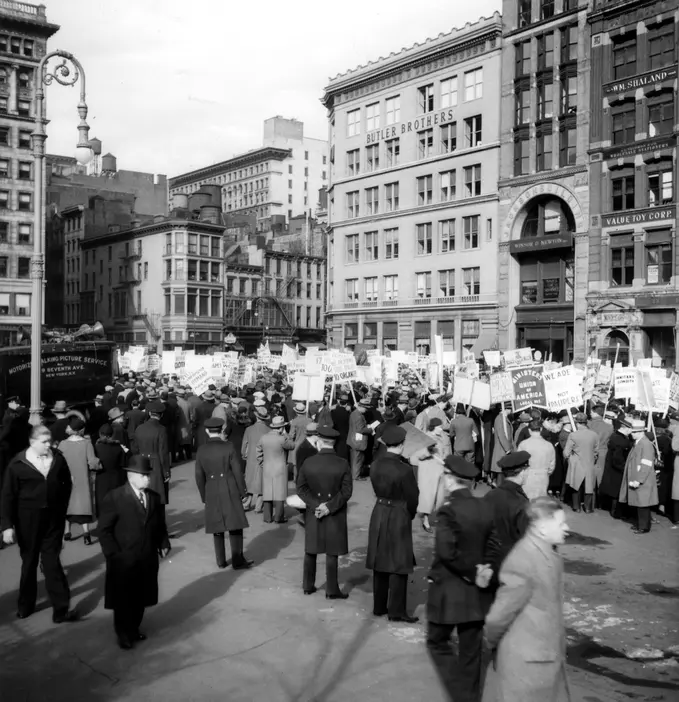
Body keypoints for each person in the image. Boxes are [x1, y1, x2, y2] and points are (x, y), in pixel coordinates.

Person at [482, 496, 571, 702]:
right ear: (541, 528)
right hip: (527, 665)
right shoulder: (523, 561)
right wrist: (492, 644)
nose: (566, 528)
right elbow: (499, 617)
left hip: (544, 659)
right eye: (560, 523)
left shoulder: (548, 554)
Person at [426, 455, 500, 702]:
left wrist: (471, 573)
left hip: (450, 592)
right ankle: (469, 697)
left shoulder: (447, 511)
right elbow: (493, 544)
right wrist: (485, 569)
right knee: (471, 651)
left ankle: (457, 694)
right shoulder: (485, 506)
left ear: (449, 479)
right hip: (478, 595)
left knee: (437, 642)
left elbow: (447, 552)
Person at [1, 425, 77, 623]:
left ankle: (61, 610)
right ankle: (25, 605)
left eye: (49, 441)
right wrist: (7, 525)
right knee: (29, 562)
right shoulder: (17, 464)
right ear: (32, 442)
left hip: (53, 520)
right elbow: (8, 496)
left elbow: (66, 484)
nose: (48, 445)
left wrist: (62, 509)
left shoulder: (58, 459)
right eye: (43, 442)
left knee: (52, 562)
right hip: (28, 521)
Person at [98, 455, 171, 650]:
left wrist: (164, 543)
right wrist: (113, 554)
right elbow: (104, 530)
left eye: (148, 475)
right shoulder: (115, 498)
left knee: (141, 595)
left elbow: (159, 524)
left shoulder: (154, 498)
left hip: (146, 555)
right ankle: (123, 633)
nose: (148, 479)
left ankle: (133, 628)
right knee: (123, 598)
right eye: (144, 475)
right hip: (123, 557)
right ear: (131, 476)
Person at [365, 424, 419, 623]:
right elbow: (413, 497)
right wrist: (410, 514)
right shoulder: (404, 469)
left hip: (379, 510)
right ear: (402, 444)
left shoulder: (376, 463)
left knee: (380, 560)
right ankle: (396, 611)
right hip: (398, 512)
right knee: (399, 563)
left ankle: (379, 606)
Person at [296, 425, 352, 598]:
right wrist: (329, 506)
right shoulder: (342, 463)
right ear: (334, 442)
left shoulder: (309, 462)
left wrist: (315, 505)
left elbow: (301, 488)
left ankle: (308, 585)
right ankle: (332, 589)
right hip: (334, 511)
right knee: (332, 551)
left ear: (319, 440)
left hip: (314, 511)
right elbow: (346, 491)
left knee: (311, 549)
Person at [194, 417, 253, 570]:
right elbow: (237, 472)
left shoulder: (201, 450)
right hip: (229, 486)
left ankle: (220, 561)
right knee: (235, 524)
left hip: (211, 488)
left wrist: (203, 495)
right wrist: (243, 492)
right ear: (221, 431)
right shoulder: (228, 447)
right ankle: (237, 559)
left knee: (217, 526)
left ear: (207, 431)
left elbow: (199, 476)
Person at [58, 416, 101, 544]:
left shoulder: (62, 444)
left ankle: (67, 532)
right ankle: (86, 534)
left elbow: (59, 462)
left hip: (66, 479)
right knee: (84, 507)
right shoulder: (87, 443)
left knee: (67, 506)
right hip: (82, 479)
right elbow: (92, 462)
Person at [483, 451, 530, 567]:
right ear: (522, 472)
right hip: (511, 561)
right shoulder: (521, 501)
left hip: (490, 558)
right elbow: (525, 537)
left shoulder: (490, 495)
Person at [618, 418, 658, 534]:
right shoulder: (639, 443)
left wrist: (639, 480)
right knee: (639, 503)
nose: (632, 434)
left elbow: (646, 464)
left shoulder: (645, 444)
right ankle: (641, 524)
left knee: (643, 504)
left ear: (641, 432)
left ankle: (644, 527)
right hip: (637, 477)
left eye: (634, 432)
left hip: (642, 479)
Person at [257, 415, 296, 523]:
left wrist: (262, 463)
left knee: (268, 493)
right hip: (280, 468)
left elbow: (258, 452)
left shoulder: (263, 437)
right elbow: (292, 445)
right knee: (279, 493)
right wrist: (286, 434)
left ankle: (267, 517)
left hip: (267, 467)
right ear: (281, 427)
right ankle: (279, 517)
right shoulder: (282, 438)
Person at [133, 401, 171, 506]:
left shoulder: (139, 428)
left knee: (144, 495)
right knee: (157, 495)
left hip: (142, 462)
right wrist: (166, 471)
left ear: (149, 413)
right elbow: (163, 452)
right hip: (156, 463)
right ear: (161, 415)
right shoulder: (161, 429)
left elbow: (135, 449)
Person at [564, 412, 599, 513]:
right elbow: (596, 450)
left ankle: (576, 507)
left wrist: (570, 457)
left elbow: (566, 452)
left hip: (577, 463)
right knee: (588, 486)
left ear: (577, 423)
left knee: (576, 485)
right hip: (589, 462)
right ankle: (588, 508)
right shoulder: (594, 434)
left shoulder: (573, 435)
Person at [599, 418, 633, 518]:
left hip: (612, 468)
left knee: (613, 491)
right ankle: (616, 512)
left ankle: (609, 508)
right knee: (616, 492)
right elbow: (617, 458)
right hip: (617, 470)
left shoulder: (616, 436)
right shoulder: (620, 440)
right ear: (626, 428)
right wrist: (624, 468)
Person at [94, 423, 127, 515]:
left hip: (101, 478)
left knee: (102, 504)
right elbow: (123, 463)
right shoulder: (118, 447)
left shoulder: (97, 447)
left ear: (100, 434)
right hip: (116, 478)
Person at [517, 420, 555, 500]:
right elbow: (552, 465)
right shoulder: (549, 445)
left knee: (527, 503)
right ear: (541, 429)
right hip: (543, 476)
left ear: (529, 430)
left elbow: (518, 463)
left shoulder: (523, 444)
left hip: (527, 476)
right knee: (540, 503)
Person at [242, 409, 270, 513]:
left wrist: (243, 454)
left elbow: (244, 444)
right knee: (261, 482)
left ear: (257, 417)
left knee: (249, 481)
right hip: (264, 457)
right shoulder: (269, 430)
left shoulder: (249, 429)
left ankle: (246, 504)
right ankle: (258, 507)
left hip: (251, 457)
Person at [347, 398, 373, 480]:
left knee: (356, 459)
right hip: (357, 442)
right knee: (357, 460)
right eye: (366, 408)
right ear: (361, 407)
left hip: (354, 440)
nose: (366, 410)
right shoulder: (358, 416)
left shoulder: (354, 413)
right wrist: (370, 429)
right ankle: (356, 476)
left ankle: (355, 475)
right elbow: (360, 430)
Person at [490, 404, 514, 487]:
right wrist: (507, 449)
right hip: (502, 449)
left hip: (504, 449)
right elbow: (501, 435)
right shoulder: (499, 418)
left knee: (503, 473)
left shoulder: (504, 418)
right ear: (507, 409)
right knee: (501, 473)